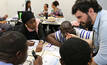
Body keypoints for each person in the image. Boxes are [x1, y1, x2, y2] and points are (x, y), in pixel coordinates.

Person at [72, 0, 107, 65]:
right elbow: (95, 44)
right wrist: (76, 38)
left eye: (79, 17)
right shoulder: (96, 19)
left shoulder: (105, 25)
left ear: (91, 11)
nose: (78, 21)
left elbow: (102, 59)